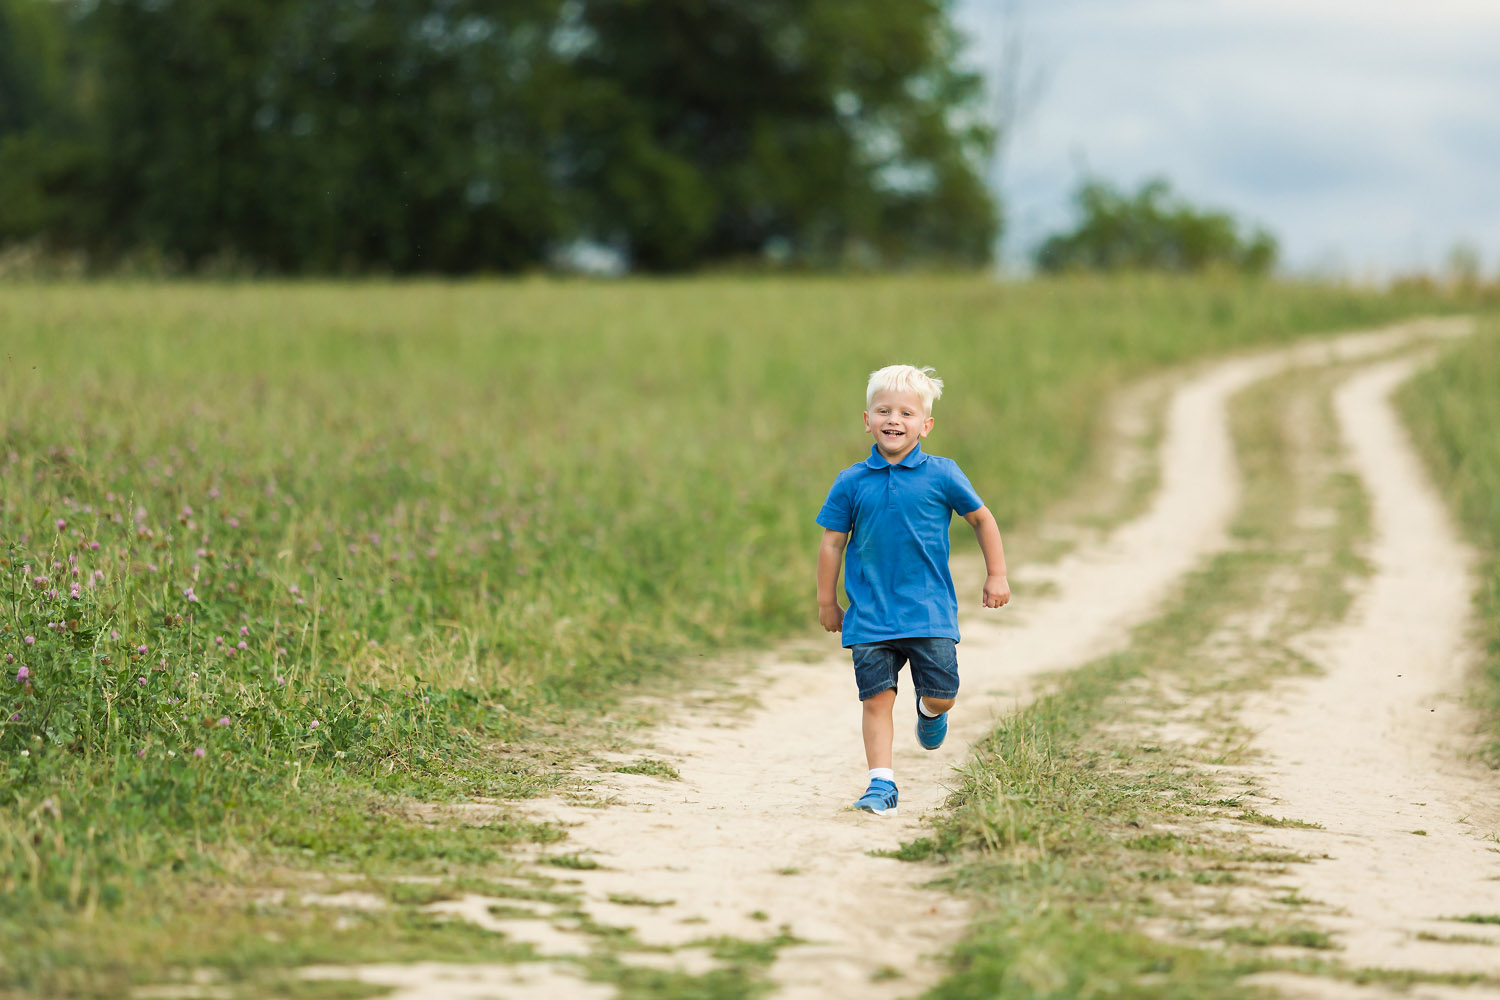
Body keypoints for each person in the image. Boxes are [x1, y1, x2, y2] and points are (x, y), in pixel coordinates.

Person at [815, 364, 1010, 816]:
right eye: (883, 410)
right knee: (875, 700)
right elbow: (831, 542)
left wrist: (996, 574)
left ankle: (931, 712)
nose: (894, 420)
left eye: (906, 412)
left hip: (929, 613)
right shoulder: (851, 481)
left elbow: (982, 519)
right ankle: (880, 784)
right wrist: (828, 601)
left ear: (926, 425)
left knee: (943, 692)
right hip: (870, 615)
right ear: (867, 420)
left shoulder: (942, 474)